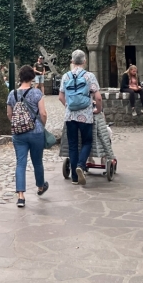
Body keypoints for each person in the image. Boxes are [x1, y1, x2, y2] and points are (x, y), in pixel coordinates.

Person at [59, 49, 103, 186]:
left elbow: (61, 97)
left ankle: (74, 178)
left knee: (73, 145)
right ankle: (81, 165)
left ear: (72, 61)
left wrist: (69, 106)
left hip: (70, 116)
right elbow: (98, 97)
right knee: (87, 142)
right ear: (85, 61)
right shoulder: (89, 76)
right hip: (86, 115)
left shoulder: (66, 76)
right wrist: (98, 109)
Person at [8, 64, 49, 208]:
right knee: (37, 162)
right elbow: (43, 113)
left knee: (21, 163)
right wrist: (42, 125)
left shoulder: (12, 94)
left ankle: (20, 196)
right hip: (36, 132)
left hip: (19, 134)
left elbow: (9, 114)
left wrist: (18, 124)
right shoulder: (37, 93)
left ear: (20, 77)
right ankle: (40, 186)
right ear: (32, 77)